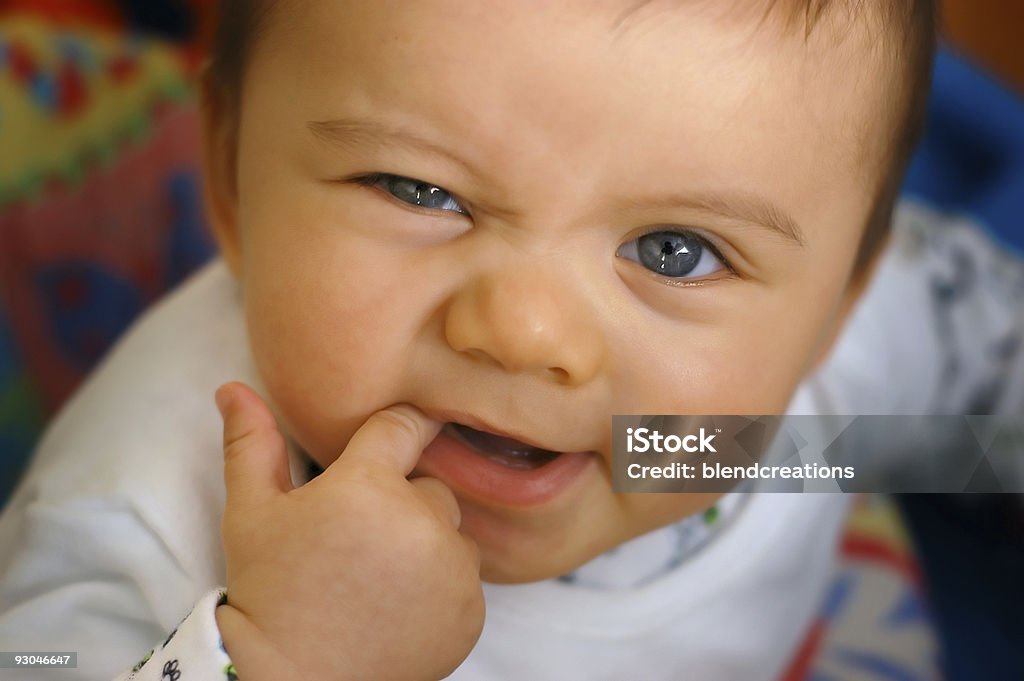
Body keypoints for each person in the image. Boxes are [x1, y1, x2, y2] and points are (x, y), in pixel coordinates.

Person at [5, 0, 1019, 679]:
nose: (528, 334)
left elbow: (972, 366)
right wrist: (285, 657)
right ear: (227, 175)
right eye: (420, 191)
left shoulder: (753, 419)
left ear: (839, 300)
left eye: (673, 251)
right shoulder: (143, 509)